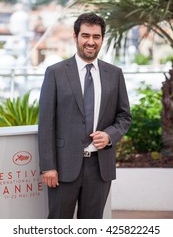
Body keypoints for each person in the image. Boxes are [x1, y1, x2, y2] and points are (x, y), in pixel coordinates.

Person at [38, 12, 132, 219]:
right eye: (85, 35)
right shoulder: (55, 72)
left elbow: (124, 116)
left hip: (100, 169)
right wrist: (48, 167)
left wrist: (109, 135)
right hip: (62, 168)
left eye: (96, 37)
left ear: (102, 39)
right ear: (75, 37)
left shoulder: (114, 74)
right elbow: (46, 123)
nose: (91, 42)